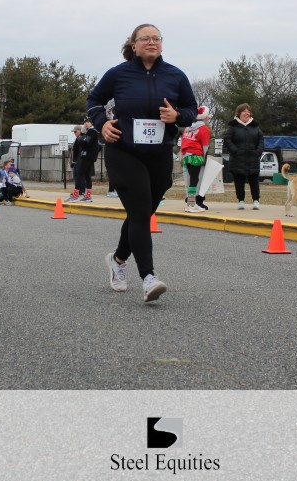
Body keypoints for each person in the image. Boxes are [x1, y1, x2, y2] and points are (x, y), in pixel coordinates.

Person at [86, 23, 197, 303]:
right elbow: (94, 100)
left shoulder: (175, 75)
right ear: (133, 45)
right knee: (138, 210)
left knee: (143, 212)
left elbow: (191, 110)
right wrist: (102, 123)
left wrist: (177, 116)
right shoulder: (118, 74)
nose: (152, 42)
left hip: (159, 154)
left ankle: (117, 259)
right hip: (123, 150)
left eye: (156, 38)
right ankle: (148, 278)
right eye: (145, 38)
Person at [224, 103, 264, 210]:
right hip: (238, 159)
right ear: (239, 113)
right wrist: (235, 151)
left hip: (253, 159)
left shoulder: (256, 127)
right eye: (244, 111)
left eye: (248, 111)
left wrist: (258, 152)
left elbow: (261, 141)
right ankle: (241, 200)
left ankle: (256, 200)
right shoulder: (233, 127)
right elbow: (227, 140)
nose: (247, 113)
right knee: (239, 181)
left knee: (254, 181)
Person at [180, 106, 211, 212]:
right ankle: (192, 205)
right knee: (194, 180)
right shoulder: (204, 128)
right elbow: (205, 146)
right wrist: (203, 156)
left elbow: (183, 142)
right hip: (196, 156)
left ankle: (190, 204)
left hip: (186, 156)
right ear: (205, 117)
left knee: (191, 180)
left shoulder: (187, 128)